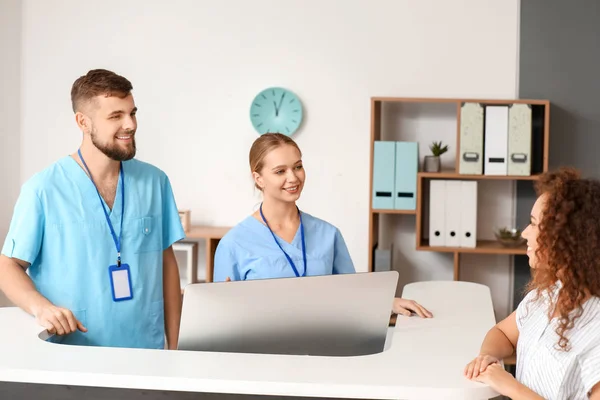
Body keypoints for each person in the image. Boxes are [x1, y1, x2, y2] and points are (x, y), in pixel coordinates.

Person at [0, 69, 185, 349]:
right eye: (115, 116)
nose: (130, 124)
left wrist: (174, 347)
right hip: (74, 353)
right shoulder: (43, 190)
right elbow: (8, 267)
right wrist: (41, 307)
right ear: (83, 122)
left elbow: (167, 265)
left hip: (148, 351)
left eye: (132, 113)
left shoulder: (155, 182)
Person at [213, 133, 432, 318]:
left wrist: (388, 303)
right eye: (280, 171)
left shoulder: (328, 234)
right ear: (258, 178)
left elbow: (349, 293)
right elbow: (221, 317)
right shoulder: (234, 245)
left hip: (324, 352)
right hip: (262, 357)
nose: (293, 178)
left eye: (297, 167)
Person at [464, 167, 600, 399]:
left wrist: (509, 385)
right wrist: (487, 357)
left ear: (570, 239)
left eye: (536, 224)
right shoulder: (548, 294)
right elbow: (503, 333)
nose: (525, 233)